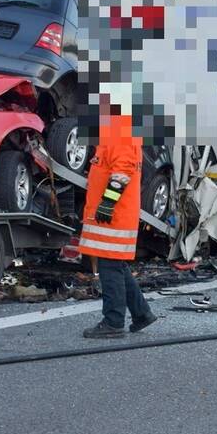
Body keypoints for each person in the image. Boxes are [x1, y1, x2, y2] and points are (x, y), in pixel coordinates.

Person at [79, 96, 157, 339]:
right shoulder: (113, 132)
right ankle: (141, 313)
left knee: (110, 266)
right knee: (116, 265)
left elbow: (122, 172)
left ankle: (113, 321)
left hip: (114, 216)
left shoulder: (121, 132)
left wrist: (108, 203)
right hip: (111, 216)